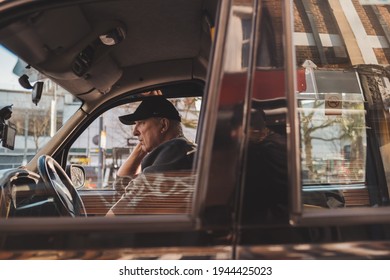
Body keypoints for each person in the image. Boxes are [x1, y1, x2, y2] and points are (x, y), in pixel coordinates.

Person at [107, 95, 196, 215]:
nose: (134, 131)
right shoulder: (181, 149)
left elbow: (115, 218)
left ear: (163, 125)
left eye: (141, 123)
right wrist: (144, 145)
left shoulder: (172, 154)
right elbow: (122, 187)